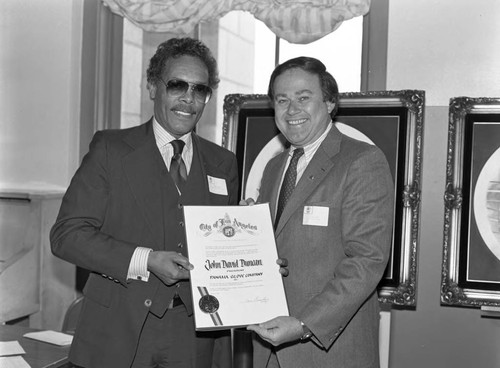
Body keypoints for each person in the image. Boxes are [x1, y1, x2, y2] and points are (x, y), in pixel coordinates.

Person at [50, 37, 238, 368]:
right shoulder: (111, 150)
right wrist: (145, 260)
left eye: (200, 90)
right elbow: (67, 235)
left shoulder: (223, 163)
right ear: (153, 87)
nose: (188, 99)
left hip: (195, 336)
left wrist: (257, 261)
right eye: (177, 85)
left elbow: (224, 248)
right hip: (117, 331)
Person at [244, 57, 394, 368]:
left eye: (303, 97)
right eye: (282, 100)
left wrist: (303, 325)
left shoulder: (362, 161)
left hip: (327, 349)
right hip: (268, 347)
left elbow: (366, 260)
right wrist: (250, 231)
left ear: (329, 103)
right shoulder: (274, 167)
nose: (291, 109)